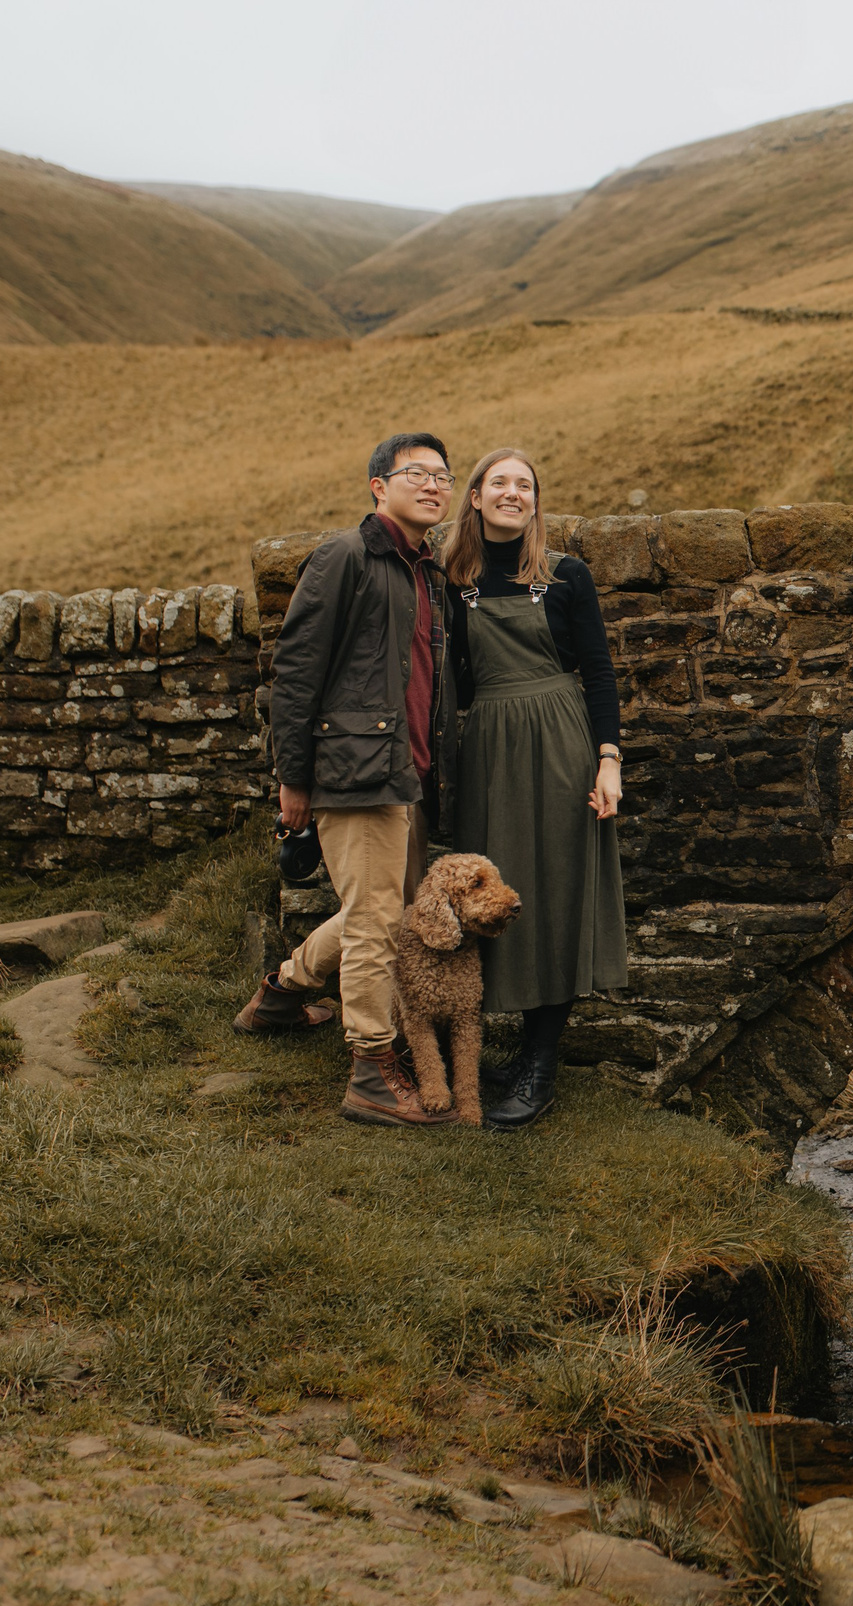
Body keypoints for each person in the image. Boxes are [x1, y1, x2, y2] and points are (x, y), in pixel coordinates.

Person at [235, 431, 469, 1127]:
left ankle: (282, 991)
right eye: (416, 473)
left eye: (442, 476)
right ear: (379, 486)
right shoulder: (345, 556)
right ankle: (373, 1069)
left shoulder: (422, 569)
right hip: (356, 772)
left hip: (406, 774)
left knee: (382, 911)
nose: (433, 485)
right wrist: (293, 779)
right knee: (378, 923)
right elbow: (297, 670)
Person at [444, 447, 627, 1128]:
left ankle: (541, 1065)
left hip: (559, 742)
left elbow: (601, 675)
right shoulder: (452, 580)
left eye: (524, 484)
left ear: (534, 500)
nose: (512, 493)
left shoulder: (565, 576)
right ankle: (520, 1052)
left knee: (553, 893)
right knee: (498, 891)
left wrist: (607, 760)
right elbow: (453, 682)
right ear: (476, 497)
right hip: (490, 746)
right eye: (500, 482)